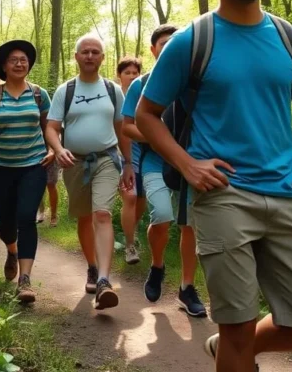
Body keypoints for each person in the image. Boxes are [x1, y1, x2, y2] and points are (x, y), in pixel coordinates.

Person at [136, 0, 292, 372]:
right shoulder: (191, 41)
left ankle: (225, 347)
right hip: (224, 197)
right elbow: (145, 116)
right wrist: (187, 165)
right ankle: (232, 346)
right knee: (237, 327)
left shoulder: (291, 39)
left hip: (290, 194)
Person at [121, 25, 206, 318]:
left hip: (189, 162)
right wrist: (159, 136)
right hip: (155, 162)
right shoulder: (141, 83)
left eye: (176, 43)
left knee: (189, 225)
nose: (171, 47)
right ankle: (157, 266)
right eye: (164, 43)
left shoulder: (195, 81)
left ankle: (186, 288)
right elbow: (128, 125)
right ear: (154, 50)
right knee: (162, 215)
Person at [45, 35, 134, 310]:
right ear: (76, 56)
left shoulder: (112, 90)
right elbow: (51, 127)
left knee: (102, 214)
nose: (90, 56)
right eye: (85, 52)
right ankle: (92, 268)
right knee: (85, 218)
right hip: (74, 163)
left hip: (107, 158)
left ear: (103, 58)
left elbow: (121, 128)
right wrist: (58, 150)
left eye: (96, 52)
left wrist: (129, 162)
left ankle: (106, 280)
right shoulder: (65, 90)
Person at [0, 41, 53, 304]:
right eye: (14, 60)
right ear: (4, 66)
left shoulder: (40, 94)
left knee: (26, 217)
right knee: (6, 224)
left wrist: (52, 148)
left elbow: (50, 127)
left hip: (33, 165)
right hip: (1, 167)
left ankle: (25, 280)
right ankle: (12, 250)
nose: (20, 63)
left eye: (24, 59)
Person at [116, 56, 147, 264]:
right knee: (130, 198)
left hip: (144, 156)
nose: (131, 76)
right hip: (120, 157)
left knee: (141, 202)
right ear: (119, 76)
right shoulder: (115, 97)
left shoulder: (144, 97)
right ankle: (129, 247)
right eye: (127, 73)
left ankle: (131, 233)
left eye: (135, 73)